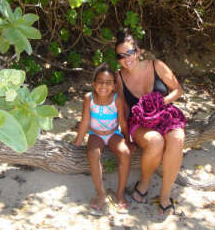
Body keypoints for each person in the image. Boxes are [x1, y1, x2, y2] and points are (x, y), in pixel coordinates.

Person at [115, 28, 186, 216]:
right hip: (139, 122)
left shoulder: (156, 65)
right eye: (121, 56)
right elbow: (123, 110)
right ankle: (144, 182)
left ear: (137, 51)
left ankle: (165, 195)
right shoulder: (119, 77)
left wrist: (161, 102)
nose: (126, 59)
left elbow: (177, 90)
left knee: (177, 137)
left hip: (163, 114)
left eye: (129, 52)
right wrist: (126, 138)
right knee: (156, 141)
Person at [72, 63, 131, 212]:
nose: (103, 85)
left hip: (113, 134)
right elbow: (85, 122)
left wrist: (128, 140)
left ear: (114, 85)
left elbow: (123, 122)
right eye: (100, 81)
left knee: (125, 153)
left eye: (108, 82)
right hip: (95, 134)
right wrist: (78, 142)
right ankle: (101, 193)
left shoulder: (117, 99)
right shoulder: (88, 98)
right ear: (93, 83)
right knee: (92, 153)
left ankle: (120, 194)